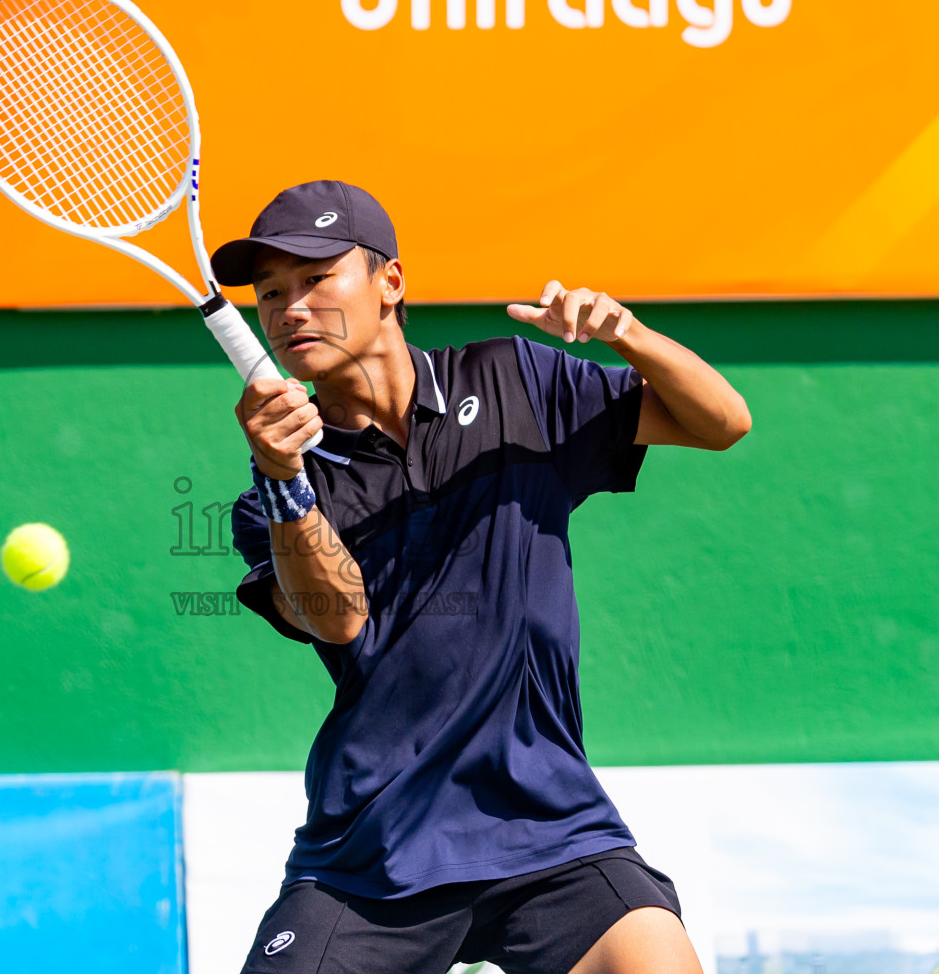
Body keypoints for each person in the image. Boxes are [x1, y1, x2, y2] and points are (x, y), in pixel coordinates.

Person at [216, 180, 751, 974]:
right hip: (373, 853)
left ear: (390, 281)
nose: (291, 308)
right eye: (270, 293)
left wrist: (627, 333)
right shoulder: (274, 493)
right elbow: (337, 618)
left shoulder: (517, 383)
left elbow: (723, 423)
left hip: (550, 826)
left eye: (317, 277)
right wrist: (285, 477)